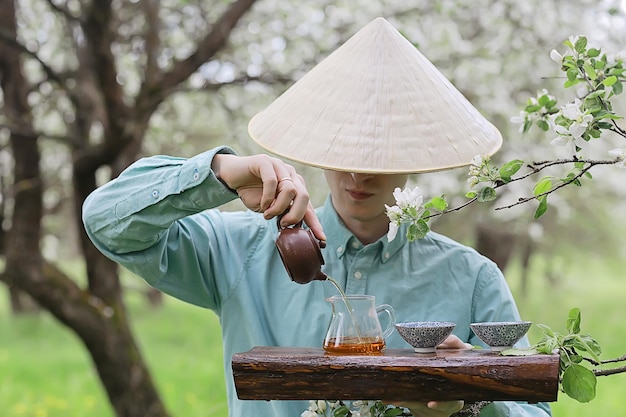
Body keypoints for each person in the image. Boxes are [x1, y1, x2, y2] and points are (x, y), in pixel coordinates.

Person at [82, 18, 552, 417]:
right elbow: (107, 222)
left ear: (412, 157)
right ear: (320, 148)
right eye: (343, 151)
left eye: (380, 156)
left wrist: (472, 403)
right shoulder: (240, 250)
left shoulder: (471, 278)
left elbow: (534, 408)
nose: (357, 174)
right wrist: (220, 173)